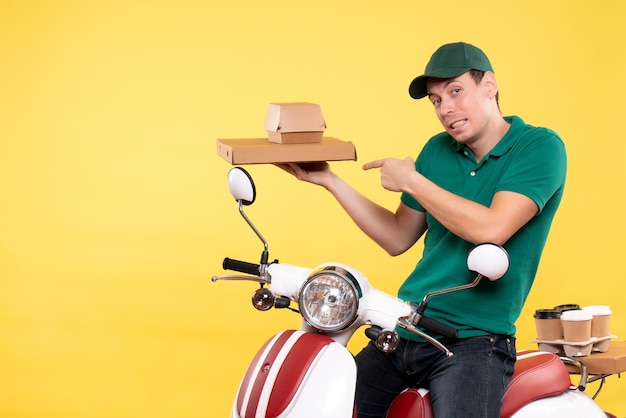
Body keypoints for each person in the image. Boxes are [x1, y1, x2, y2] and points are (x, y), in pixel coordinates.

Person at [277, 42, 567, 418]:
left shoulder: (539, 146)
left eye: (456, 91)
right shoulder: (437, 150)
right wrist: (330, 181)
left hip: (475, 341)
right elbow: (398, 237)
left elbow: (493, 228)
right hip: (405, 326)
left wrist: (412, 182)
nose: (445, 109)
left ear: (490, 85)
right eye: (435, 99)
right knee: (326, 405)